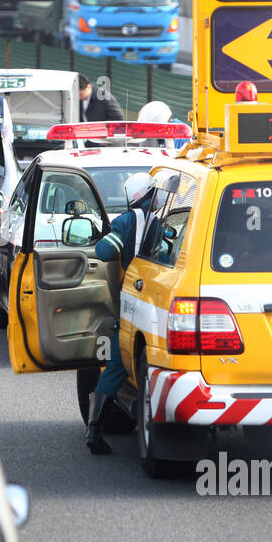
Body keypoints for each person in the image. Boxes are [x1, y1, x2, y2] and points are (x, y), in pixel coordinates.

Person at [84, 170, 159, 454]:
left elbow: (104, 251)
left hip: (130, 298)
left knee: (115, 362)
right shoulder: (160, 222)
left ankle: (94, 430)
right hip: (155, 300)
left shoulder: (128, 220)